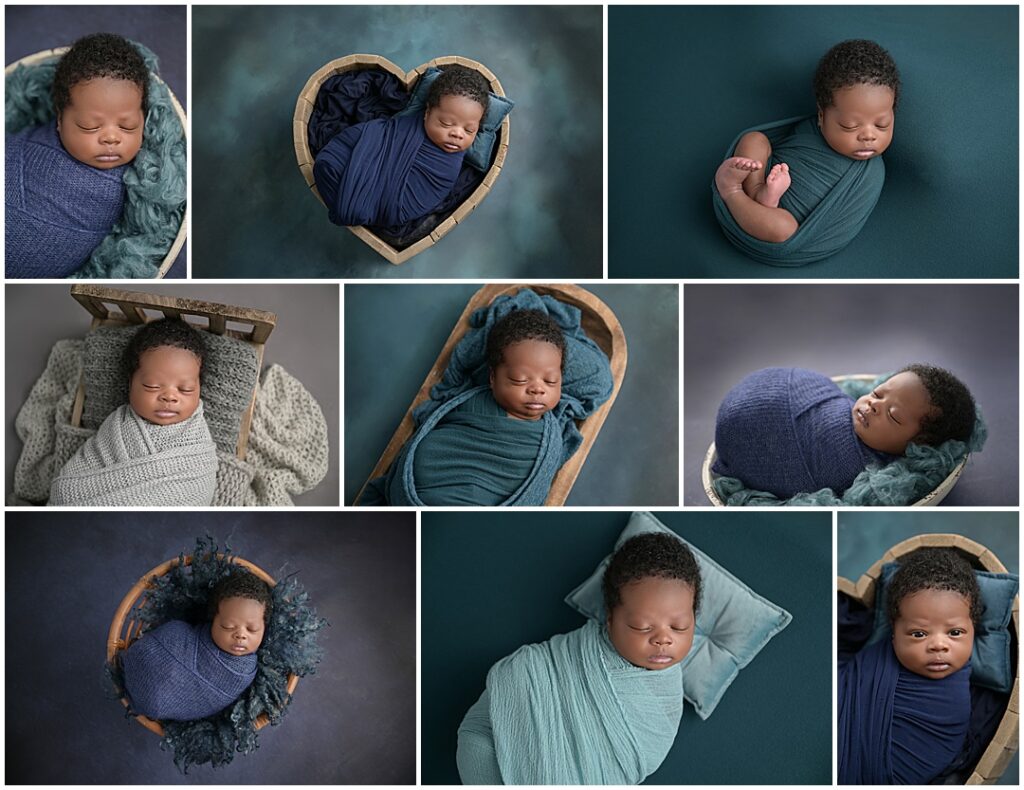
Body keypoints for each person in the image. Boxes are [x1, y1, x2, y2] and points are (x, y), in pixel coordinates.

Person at [456, 532, 701, 784]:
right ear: (610, 619)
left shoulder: (666, 700)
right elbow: (476, 730)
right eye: (642, 626)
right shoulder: (559, 660)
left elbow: (635, 767)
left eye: (679, 627)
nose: (663, 639)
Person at [713, 40, 899, 250]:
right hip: (763, 181)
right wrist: (764, 180)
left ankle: (731, 190)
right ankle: (758, 192)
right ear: (822, 116)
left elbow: (835, 232)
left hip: (779, 228)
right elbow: (781, 151)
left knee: (783, 227)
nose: (868, 136)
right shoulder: (808, 130)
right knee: (753, 139)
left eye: (882, 125)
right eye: (849, 126)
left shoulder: (870, 176)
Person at [713, 363, 975, 498]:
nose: (873, 406)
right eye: (877, 393)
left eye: (893, 416)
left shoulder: (862, 474)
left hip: (759, 441)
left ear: (917, 447)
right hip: (771, 395)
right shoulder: (846, 408)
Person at [6, 33, 147, 277]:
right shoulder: (28, 146)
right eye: (89, 126)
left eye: (128, 126)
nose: (111, 138)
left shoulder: (141, 183)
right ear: (59, 120)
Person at [838, 549, 977, 784]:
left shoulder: (950, 703)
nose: (938, 645)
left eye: (954, 633)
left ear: (973, 630)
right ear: (894, 634)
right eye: (919, 633)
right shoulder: (877, 657)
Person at [49, 319, 218, 506]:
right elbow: (71, 485)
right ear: (131, 384)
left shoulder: (197, 442)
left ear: (199, 389)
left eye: (185, 389)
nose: (170, 397)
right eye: (151, 386)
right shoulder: (118, 426)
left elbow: (199, 492)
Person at [313, 64, 489, 227]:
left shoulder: (445, 169)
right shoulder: (404, 126)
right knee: (331, 162)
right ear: (427, 113)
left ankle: (354, 199)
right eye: (445, 123)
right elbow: (372, 137)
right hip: (357, 166)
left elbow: (412, 201)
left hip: (393, 205)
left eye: (469, 130)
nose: (457, 134)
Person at [121, 571, 272, 721]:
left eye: (252, 629)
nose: (240, 635)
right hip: (150, 660)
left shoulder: (243, 672)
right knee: (174, 630)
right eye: (228, 626)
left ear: (264, 628)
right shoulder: (182, 635)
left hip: (157, 704)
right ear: (212, 620)